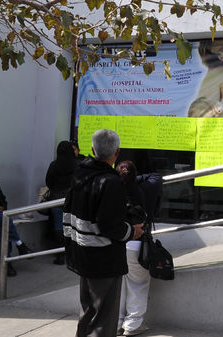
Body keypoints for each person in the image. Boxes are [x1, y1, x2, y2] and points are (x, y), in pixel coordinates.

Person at [63, 129, 144, 337]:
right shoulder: (110, 182)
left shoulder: (80, 174)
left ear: (92, 149)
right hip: (104, 259)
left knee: (88, 312)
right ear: (117, 153)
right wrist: (132, 232)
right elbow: (110, 226)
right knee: (103, 319)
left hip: (82, 252)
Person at [115, 161, 162, 336]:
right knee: (138, 284)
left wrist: (123, 176)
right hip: (138, 245)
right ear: (135, 174)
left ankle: (116, 323)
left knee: (119, 285)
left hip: (116, 244)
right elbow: (156, 176)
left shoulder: (112, 190)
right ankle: (132, 325)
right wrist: (133, 177)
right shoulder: (146, 188)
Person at [45, 140, 76, 265]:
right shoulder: (76, 165)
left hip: (56, 200)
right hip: (71, 200)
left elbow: (48, 181)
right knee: (70, 225)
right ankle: (70, 253)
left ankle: (60, 254)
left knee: (58, 226)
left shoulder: (54, 165)